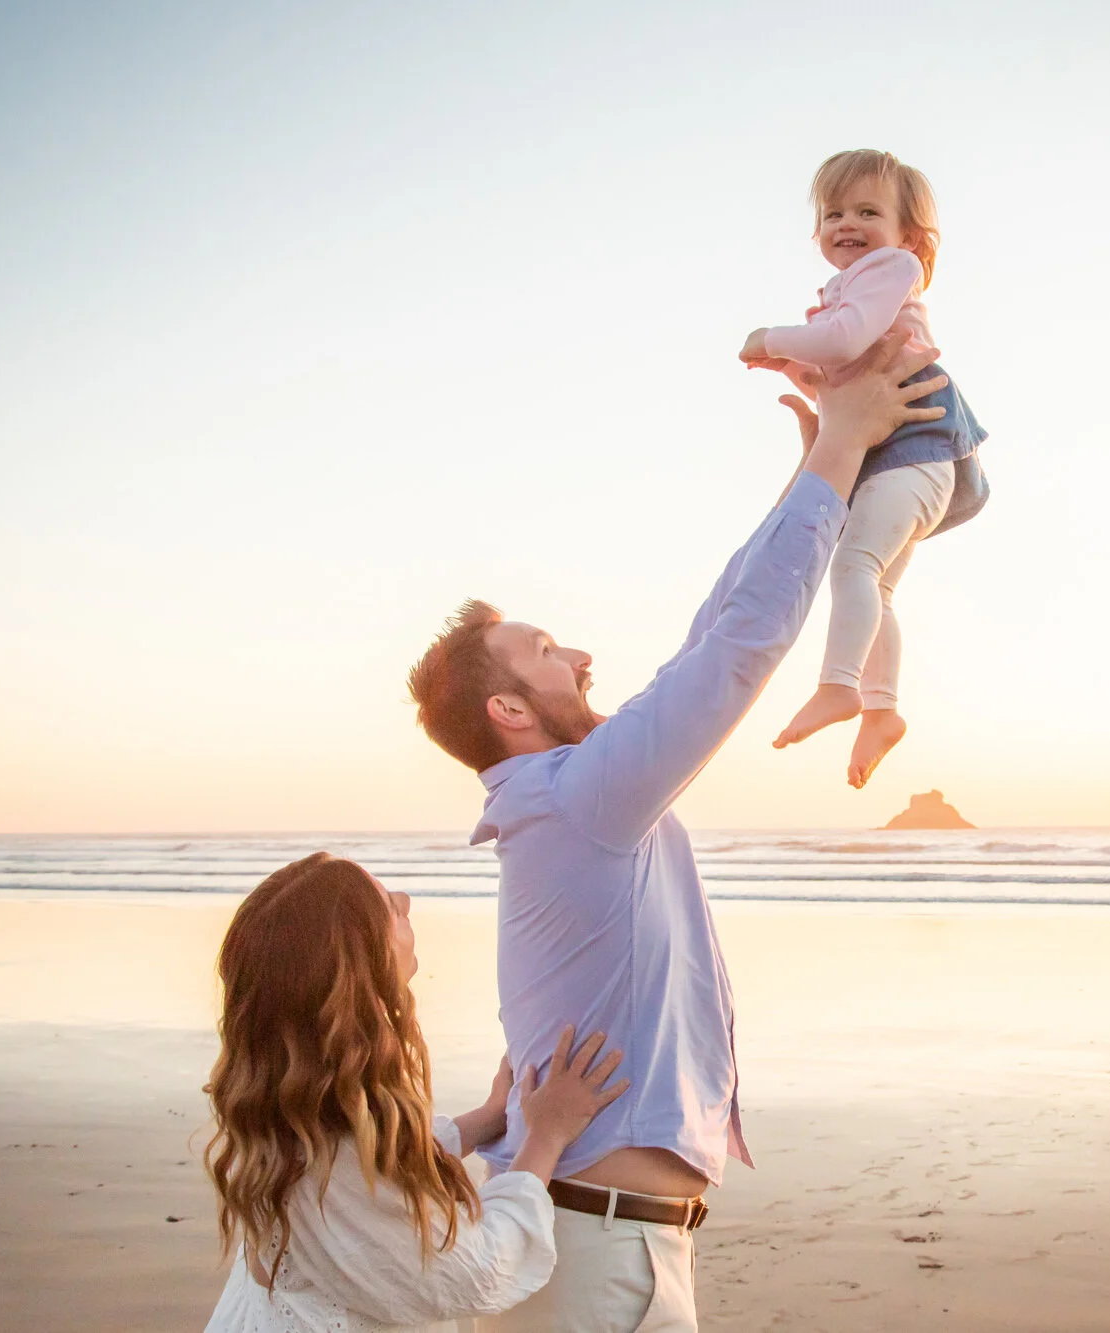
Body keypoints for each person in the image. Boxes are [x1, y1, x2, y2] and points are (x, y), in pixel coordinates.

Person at [404, 330, 945, 1331]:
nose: (579, 654)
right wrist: (833, 453)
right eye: (545, 652)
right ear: (510, 712)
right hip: (599, 1249)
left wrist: (810, 476)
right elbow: (734, 651)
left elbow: (712, 629)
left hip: (606, 1241)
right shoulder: (576, 800)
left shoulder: (571, 800)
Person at [202, 852, 627, 1333]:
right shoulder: (332, 1165)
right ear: (360, 969)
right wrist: (546, 1137)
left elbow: (377, 1174)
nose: (405, 900)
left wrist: (483, 1121)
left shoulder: (287, 1116)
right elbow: (478, 1271)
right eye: (386, 903)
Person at [739, 148, 991, 789]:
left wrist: (772, 337)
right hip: (905, 458)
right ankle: (882, 710)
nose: (846, 222)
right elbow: (842, 381)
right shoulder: (854, 289)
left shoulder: (889, 268)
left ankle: (839, 686)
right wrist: (797, 368)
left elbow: (846, 342)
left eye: (868, 211)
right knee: (873, 587)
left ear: (909, 236)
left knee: (853, 567)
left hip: (916, 452)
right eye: (833, 213)